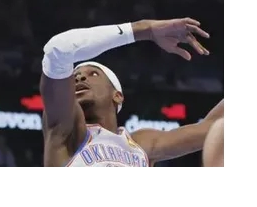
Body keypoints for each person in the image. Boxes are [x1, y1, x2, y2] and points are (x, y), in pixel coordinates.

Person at [40, 18, 224, 167]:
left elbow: (213, 127)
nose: (79, 78)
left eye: (93, 74)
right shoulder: (66, 132)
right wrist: (145, 29)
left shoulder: (141, 144)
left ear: (117, 95)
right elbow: (58, 49)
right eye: (74, 77)